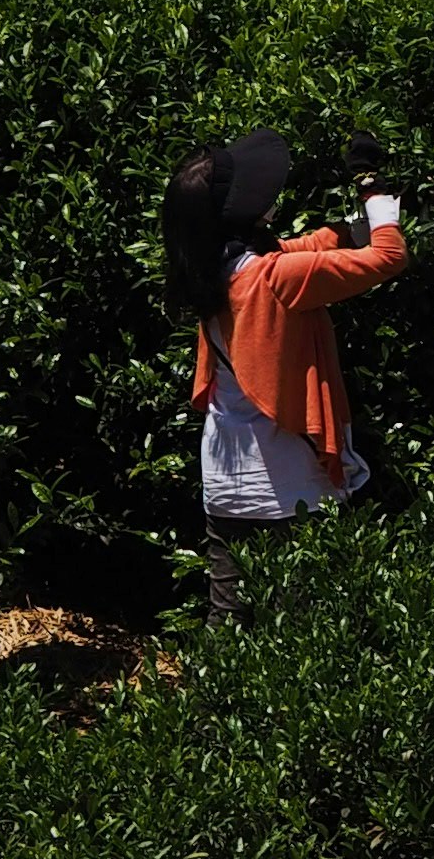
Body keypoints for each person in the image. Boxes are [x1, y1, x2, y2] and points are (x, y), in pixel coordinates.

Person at [163, 129, 407, 622]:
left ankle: (209, 699)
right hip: (286, 483)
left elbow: (313, 247)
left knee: (228, 624)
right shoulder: (274, 278)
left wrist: (360, 221)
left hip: (226, 483)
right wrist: (374, 191)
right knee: (306, 628)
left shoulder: (213, 268)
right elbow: (389, 257)